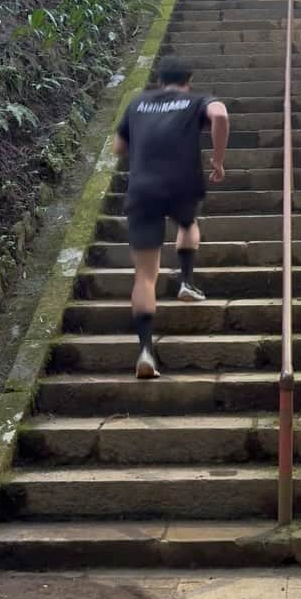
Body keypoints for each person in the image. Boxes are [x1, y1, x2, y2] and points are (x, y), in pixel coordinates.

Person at [113, 56, 230, 379]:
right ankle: (186, 281)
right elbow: (219, 114)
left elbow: (118, 148)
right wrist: (218, 161)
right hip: (181, 184)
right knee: (189, 224)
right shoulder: (195, 100)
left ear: (158, 79)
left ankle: (145, 352)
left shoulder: (137, 103)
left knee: (145, 277)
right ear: (188, 79)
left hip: (142, 190)